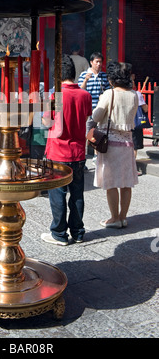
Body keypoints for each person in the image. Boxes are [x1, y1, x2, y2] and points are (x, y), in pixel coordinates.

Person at [41, 55, 92, 245]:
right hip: (78, 152)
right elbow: (86, 118)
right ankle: (78, 232)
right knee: (77, 194)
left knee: (58, 194)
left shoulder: (55, 96)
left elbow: (47, 122)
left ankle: (59, 233)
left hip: (58, 152)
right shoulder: (85, 95)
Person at [92, 62, 138, 228]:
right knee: (126, 183)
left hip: (109, 144)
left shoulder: (108, 94)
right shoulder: (134, 95)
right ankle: (123, 217)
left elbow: (96, 116)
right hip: (127, 143)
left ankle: (114, 218)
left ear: (112, 78)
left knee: (111, 183)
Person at [78, 52, 110, 162]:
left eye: (100, 62)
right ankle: (83, 158)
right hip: (89, 110)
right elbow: (80, 91)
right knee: (86, 133)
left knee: (99, 133)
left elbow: (108, 91)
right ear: (91, 62)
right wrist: (86, 80)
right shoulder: (84, 74)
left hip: (100, 109)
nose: (99, 64)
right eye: (97, 62)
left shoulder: (104, 76)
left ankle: (97, 156)